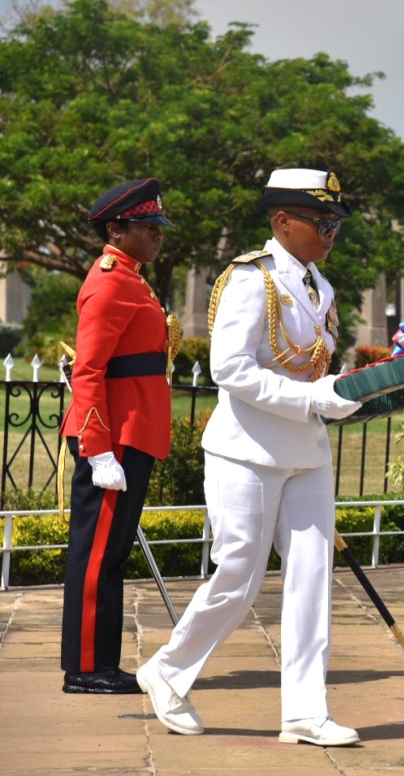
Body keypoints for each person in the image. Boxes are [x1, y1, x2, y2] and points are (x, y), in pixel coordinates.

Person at [137, 169, 363, 743]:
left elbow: (311, 367)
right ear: (283, 221)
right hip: (247, 451)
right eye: (321, 222)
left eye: (335, 224)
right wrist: (312, 398)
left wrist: (342, 393)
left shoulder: (320, 286)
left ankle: (305, 712)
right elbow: (230, 369)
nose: (330, 233)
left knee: (312, 575)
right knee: (239, 575)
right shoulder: (251, 278)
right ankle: (167, 671)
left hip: (306, 450)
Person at [60, 178, 178, 695]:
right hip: (114, 437)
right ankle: (86, 669)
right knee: (95, 557)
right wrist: (98, 448)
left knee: (110, 555)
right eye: (147, 226)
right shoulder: (110, 282)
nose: (157, 235)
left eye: (157, 226)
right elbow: (88, 371)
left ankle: (100, 662)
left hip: (132, 432)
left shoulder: (132, 278)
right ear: (116, 230)